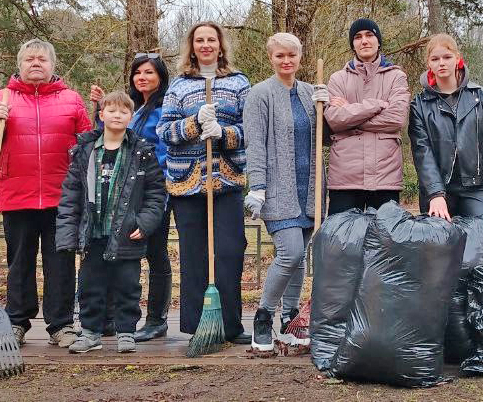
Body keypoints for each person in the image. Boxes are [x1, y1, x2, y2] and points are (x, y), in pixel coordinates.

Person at [0, 38, 91, 348]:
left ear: (52, 65)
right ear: (20, 65)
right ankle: (16, 322)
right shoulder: (1, 98)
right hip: (17, 196)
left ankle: (61, 325)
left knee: (60, 264)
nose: (35, 63)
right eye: (29, 59)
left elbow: (89, 147)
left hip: (62, 198)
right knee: (19, 263)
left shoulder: (72, 100)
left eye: (42, 59)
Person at [157, 21, 252, 345]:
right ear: (192, 46)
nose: (206, 44)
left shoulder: (239, 83)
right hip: (188, 182)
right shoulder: (179, 86)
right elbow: (165, 131)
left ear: (220, 44)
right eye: (200, 40)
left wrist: (224, 133)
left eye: (212, 39)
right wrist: (194, 124)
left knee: (230, 251)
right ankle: (198, 326)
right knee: (194, 255)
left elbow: (251, 129)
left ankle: (230, 324)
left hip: (226, 180)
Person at [56, 91, 166, 353]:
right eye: (112, 110)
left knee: (127, 285)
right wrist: (68, 233)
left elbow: (156, 193)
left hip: (127, 235)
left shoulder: (142, 152)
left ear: (131, 117)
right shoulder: (85, 151)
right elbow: (71, 194)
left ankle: (126, 331)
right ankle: (90, 333)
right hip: (93, 234)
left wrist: (145, 223)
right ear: (101, 114)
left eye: (124, 112)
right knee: (90, 285)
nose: (118, 115)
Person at [243, 33, 320, 353]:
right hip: (277, 190)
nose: (286, 60)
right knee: (290, 252)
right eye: (280, 56)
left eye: (292, 55)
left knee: (299, 257)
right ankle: (263, 317)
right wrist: (257, 187)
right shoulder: (260, 94)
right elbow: (255, 144)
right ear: (271, 58)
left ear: (300, 57)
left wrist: (328, 108)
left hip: (309, 190)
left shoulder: (310, 92)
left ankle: (290, 318)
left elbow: (325, 138)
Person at [89, 53, 173, 342]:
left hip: (153, 192)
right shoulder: (134, 109)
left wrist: (156, 188)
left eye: (149, 72)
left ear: (160, 76)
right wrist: (99, 110)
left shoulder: (164, 109)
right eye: (138, 73)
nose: (142, 77)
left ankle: (156, 319)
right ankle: (112, 317)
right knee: (120, 250)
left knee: (156, 253)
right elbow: (109, 139)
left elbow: (164, 154)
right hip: (123, 192)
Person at [409, 33, 483, 221]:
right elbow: (422, 152)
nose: (441, 63)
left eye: (447, 57)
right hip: (439, 189)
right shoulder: (419, 104)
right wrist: (435, 193)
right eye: (435, 59)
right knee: (437, 236)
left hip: (476, 187)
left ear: (457, 59)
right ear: (428, 63)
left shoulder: (482, 97)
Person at [323, 18, 410, 214]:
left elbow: (397, 118)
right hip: (345, 177)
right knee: (343, 233)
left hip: (385, 176)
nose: (364, 41)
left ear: (378, 42)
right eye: (358, 37)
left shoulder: (396, 76)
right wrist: (376, 105)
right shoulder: (338, 79)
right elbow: (334, 120)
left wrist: (350, 114)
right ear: (352, 44)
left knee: (384, 234)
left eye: (369, 35)